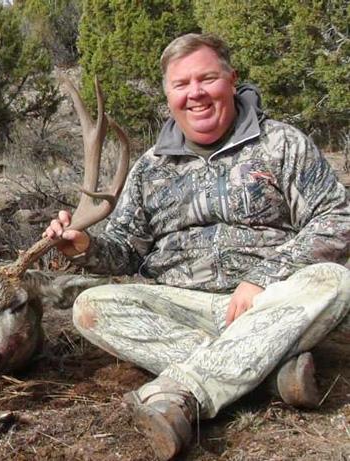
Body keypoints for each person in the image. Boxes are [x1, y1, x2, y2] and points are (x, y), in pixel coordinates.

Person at [45, 33, 349, 460]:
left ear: (231, 80)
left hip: (269, 302)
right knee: (90, 306)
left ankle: (183, 392)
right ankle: (266, 372)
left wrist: (263, 278)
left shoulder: (281, 143)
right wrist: (85, 247)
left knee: (333, 280)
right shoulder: (151, 167)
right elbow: (126, 251)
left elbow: (336, 219)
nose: (196, 94)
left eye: (207, 79)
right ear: (168, 94)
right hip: (182, 303)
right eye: (181, 85)